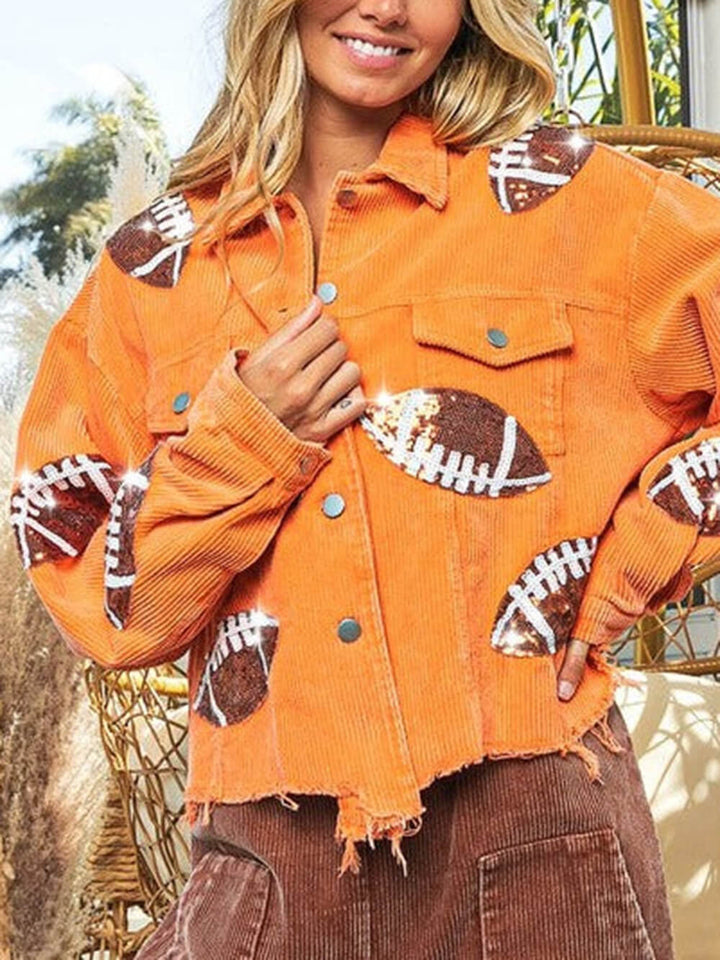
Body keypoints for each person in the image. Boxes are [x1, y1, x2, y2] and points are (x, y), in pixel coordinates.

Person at [10, 0, 720, 956]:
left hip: (541, 846)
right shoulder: (155, 271)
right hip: (267, 868)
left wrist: (632, 565)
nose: (387, 7)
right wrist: (249, 441)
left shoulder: (566, 198)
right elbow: (104, 608)